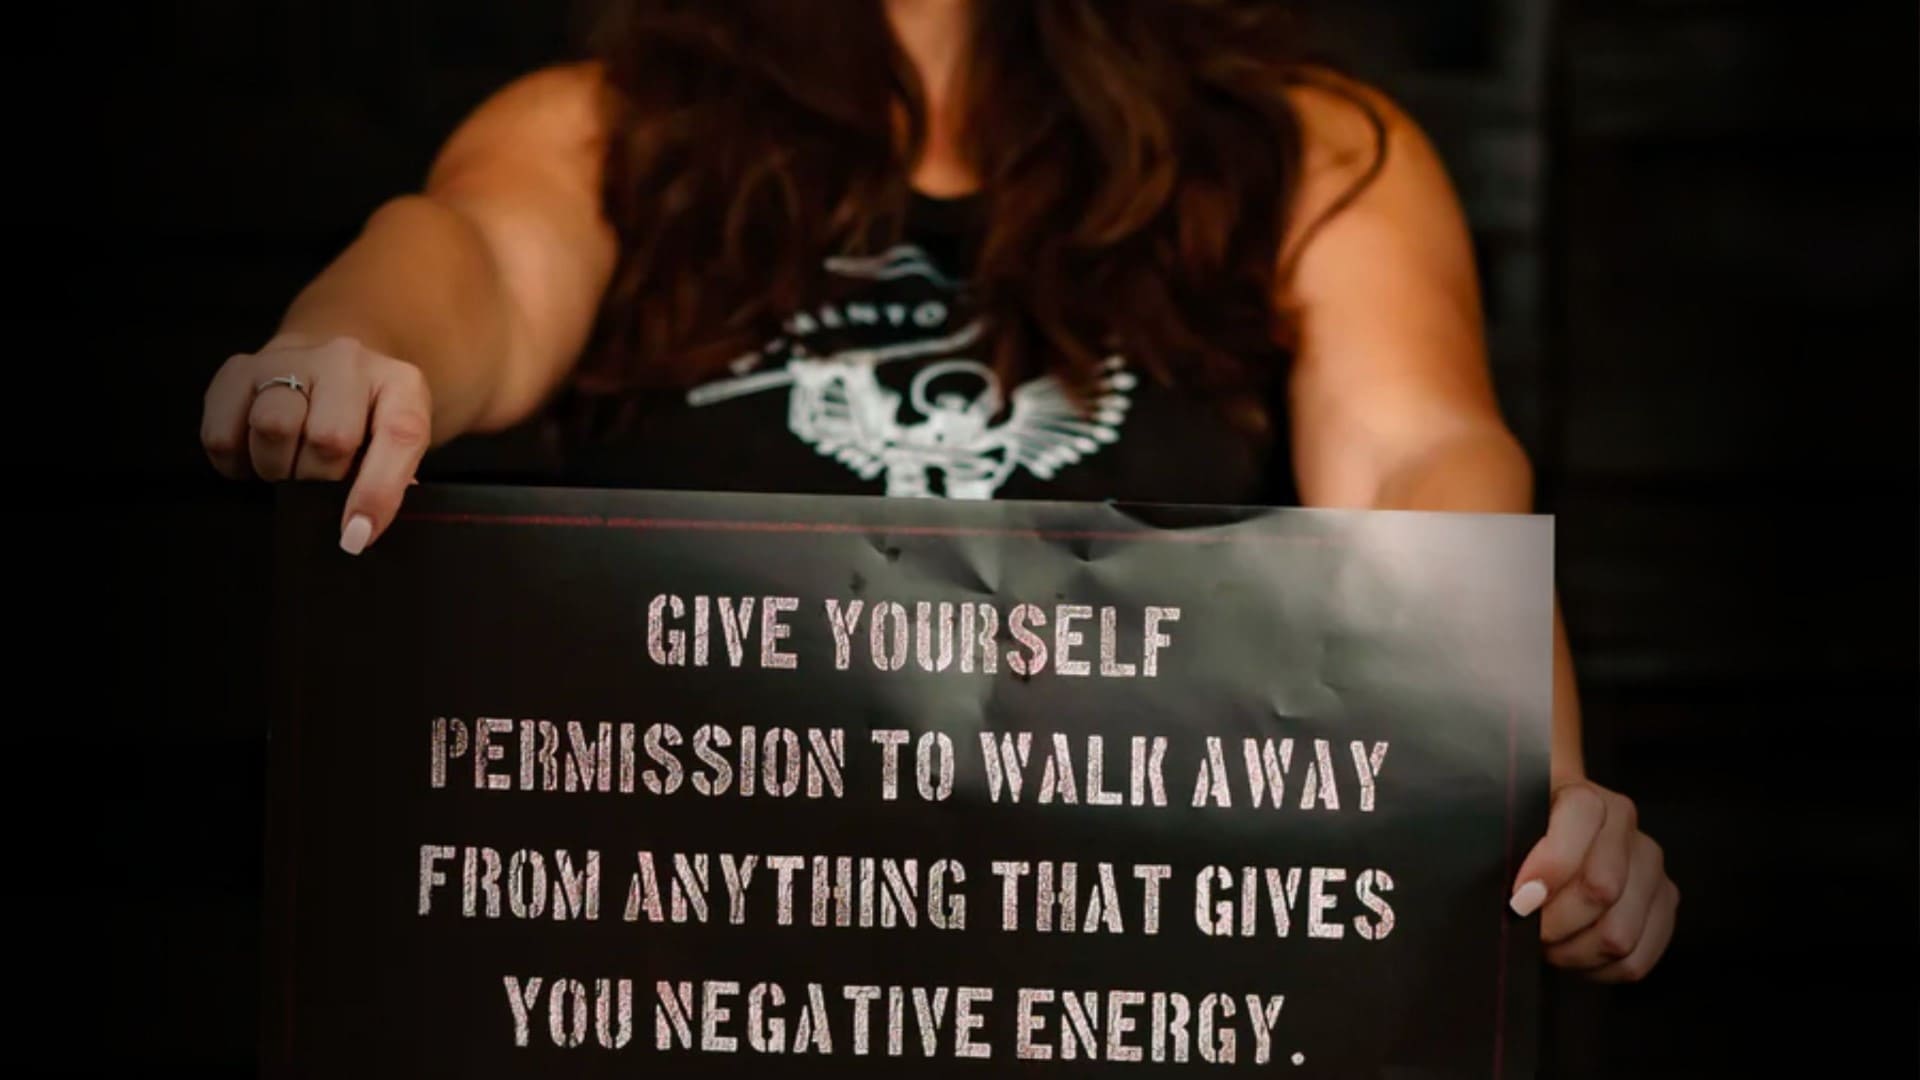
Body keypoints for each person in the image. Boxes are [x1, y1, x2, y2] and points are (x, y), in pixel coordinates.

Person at [198, 0, 1675, 982]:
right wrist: (355, 347)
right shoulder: (609, 125)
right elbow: (472, 260)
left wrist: (1534, 794)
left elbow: (1427, 461)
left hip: (1139, 992)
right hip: (705, 987)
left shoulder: (1309, 148)